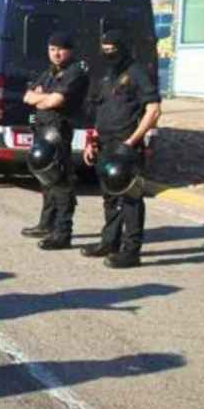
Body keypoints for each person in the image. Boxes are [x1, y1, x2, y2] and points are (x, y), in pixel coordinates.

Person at [80, 29, 161, 269]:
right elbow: (98, 112)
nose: (108, 54)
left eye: (112, 50)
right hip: (105, 145)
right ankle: (109, 242)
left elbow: (154, 110)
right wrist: (91, 142)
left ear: (123, 49)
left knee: (131, 198)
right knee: (110, 197)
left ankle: (131, 251)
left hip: (127, 146)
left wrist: (131, 142)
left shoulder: (137, 72)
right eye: (104, 50)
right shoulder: (107, 75)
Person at [21, 31, 89, 250]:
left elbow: (55, 101)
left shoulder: (75, 72)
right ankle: (46, 224)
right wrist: (44, 98)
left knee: (61, 182)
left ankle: (62, 232)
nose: (56, 54)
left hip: (58, 131)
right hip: (43, 129)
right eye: (52, 49)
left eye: (60, 49)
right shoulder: (50, 71)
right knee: (46, 180)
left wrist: (44, 99)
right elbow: (28, 97)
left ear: (70, 51)